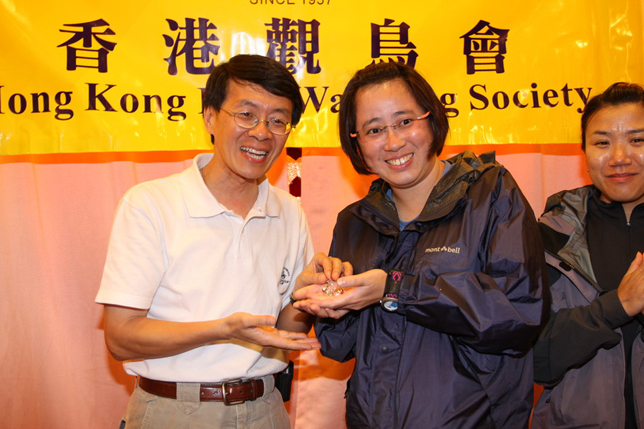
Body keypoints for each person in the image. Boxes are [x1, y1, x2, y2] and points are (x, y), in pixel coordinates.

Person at [291, 61, 549, 428]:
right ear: (356, 143)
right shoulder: (356, 220)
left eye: (405, 121)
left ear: (432, 119)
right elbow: (339, 345)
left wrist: (395, 288)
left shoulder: (491, 193)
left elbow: (518, 316)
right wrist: (326, 298)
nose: (393, 142)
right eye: (374, 130)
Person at [95, 54, 341, 429]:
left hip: (266, 409)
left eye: (278, 120)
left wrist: (304, 297)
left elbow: (286, 335)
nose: (262, 132)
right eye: (246, 114)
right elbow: (121, 337)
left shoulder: (288, 211)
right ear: (210, 117)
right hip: (174, 410)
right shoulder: (150, 204)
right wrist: (223, 330)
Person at [532, 82, 644, 428]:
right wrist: (617, 306)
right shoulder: (551, 234)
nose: (620, 157)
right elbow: (535, 359)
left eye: (638, 140)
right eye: (602, 143)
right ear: (584, 152)